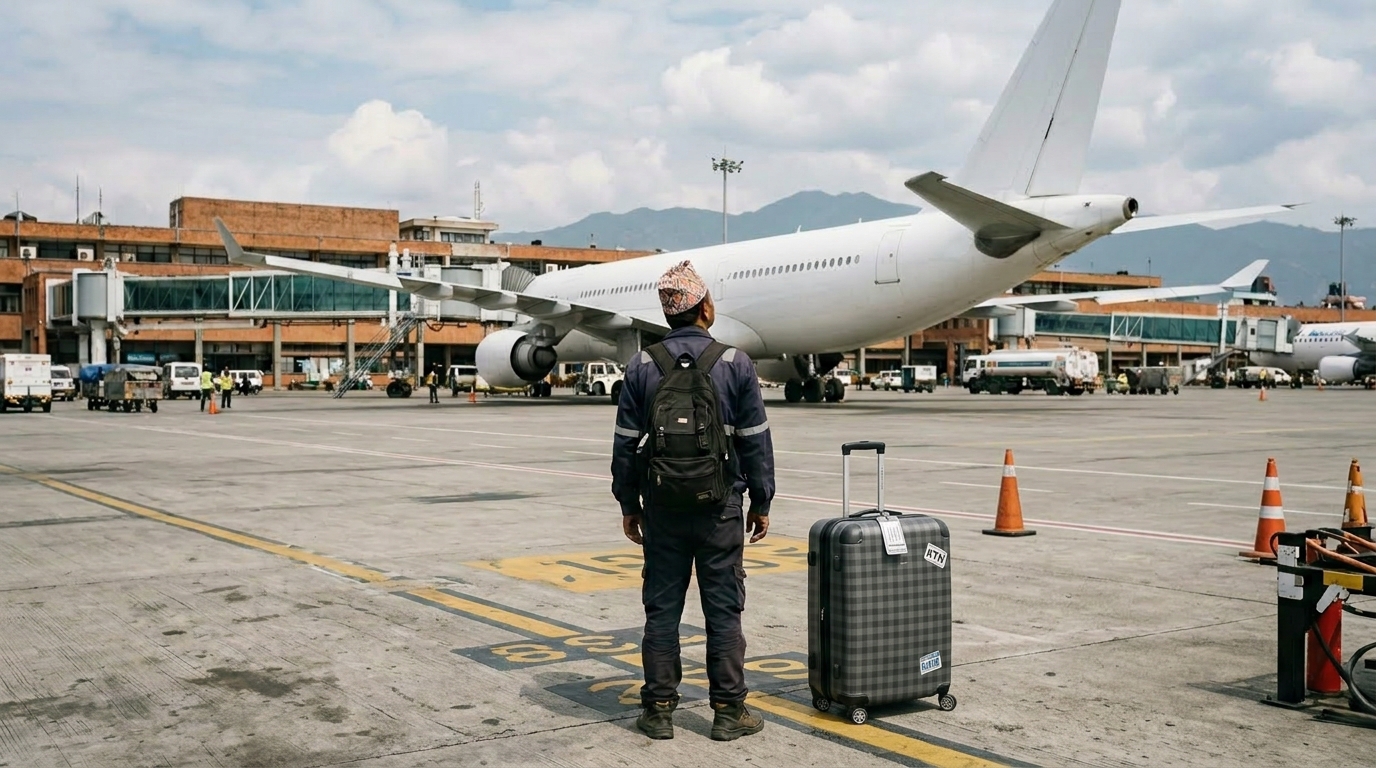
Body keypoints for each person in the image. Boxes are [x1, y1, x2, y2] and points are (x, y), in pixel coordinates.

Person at [611, 260, 775, 742]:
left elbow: (625, 446)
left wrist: (629, 504)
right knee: (723, 610)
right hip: (720, 508)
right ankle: (728, 712)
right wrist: (761, 500)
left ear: (668, 314)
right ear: (705, 308)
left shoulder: (642, 366)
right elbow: (755, 440)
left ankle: (658, 711)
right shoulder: (735, 363)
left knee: (662, 610)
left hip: (662, 509)